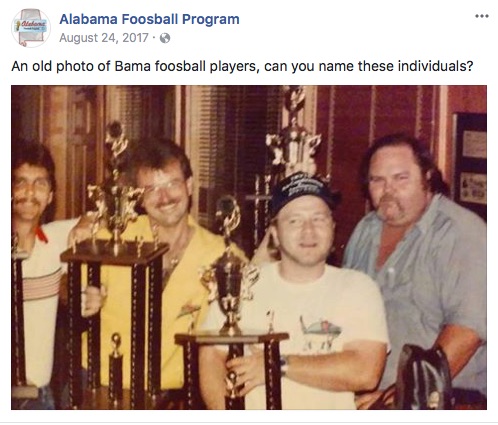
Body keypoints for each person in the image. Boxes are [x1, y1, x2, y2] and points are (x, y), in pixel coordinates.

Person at [199, 172, 389, 409]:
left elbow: (365, 371)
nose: (308, 231)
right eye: (294, 221)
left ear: (332, 227)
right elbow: (211, 357)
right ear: (275, 235)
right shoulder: (243, 284)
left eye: (318, 219)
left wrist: (275, 365)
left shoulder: (358, 288)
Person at [85, 138, 246, 400]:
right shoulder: (109, 239)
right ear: (138, 197)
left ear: (190, 186)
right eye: (151, 189)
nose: (165, 197)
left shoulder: (222, 255)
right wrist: (86, 296)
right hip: (99, 384)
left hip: (170, 396)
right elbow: (71, 287)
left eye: (172, 184)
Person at [343, 133, 487, 408]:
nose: (388, 190)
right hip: (370, 396)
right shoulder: (365, 230)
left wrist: (405, 390)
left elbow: (466, 332)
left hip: (446, 400)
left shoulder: (462, 234)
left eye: (401, 178)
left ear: (427, 178)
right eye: (377, 180)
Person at [11, 141, 101, 409]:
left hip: (39, 396)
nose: (29, 192)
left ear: (50, 195)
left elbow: (104, 217)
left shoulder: (55, 238)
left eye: (40, 184)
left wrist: (86, 222)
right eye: (20, 182)